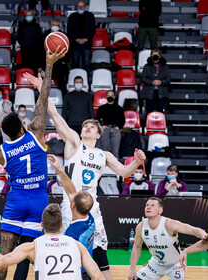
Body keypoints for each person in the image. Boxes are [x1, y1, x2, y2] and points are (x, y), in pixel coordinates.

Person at [25, 72, 147, 280]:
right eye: (85, 126)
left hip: (92, 208)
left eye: (91, 126)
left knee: (100, 254)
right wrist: (42, 89)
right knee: (68, 253)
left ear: (99, 135)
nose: (87, 127)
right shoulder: (74, 143)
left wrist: (136, 162)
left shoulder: (104, 154)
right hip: (70, 205)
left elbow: (124, 172)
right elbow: (55, 115)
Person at [0, 48, 66, 280]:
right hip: (38, 201)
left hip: (15, 202)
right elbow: (44, 99)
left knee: (4, 256)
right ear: (22, 127)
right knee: (29, 253)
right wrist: (49, 65)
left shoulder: (0, 151)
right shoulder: (37, 133)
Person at [0, 203, 105, 280]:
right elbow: (97, 276)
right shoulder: (77, 245)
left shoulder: (32, 246)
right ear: (61, 225)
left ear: (41, 225)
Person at [128, 197, 208, 280]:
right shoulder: (141, 226)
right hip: (155, 264)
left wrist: (202, 233)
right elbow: (137, 247)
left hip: (176, 264)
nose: (148, 207)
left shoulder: (169, 224)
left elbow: (192, 230)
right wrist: (132, 269)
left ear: (160, 210)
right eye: (147, 205)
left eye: (152, 205)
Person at [48, 154, 96, 279]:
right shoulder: (90, 218)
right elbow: (71, 191)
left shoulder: (72, 233)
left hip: (78, 273)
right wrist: (60, 170)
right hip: (89, 270)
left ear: (72, 205)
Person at [67, 0, 96, 74]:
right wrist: (76, 39)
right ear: (76, 7)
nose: (80, 8)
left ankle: (86, 81)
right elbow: (69, 30)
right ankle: (74, 79)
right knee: (75, 64)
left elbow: (93, 30)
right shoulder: (72, 16)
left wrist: (86, 39)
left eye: (82, 6)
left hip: (87, 44)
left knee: (86, 64)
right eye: (79, 6)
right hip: (75, 44)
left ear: (85, 7)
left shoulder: (90, 16)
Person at [42, 18, 70, 95]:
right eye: (53, 25)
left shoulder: (63, 36)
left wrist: (65, 60)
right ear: (50, 25)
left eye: (57, 25)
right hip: (48, 63)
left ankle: (64, 99)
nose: (55, 26)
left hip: (60, 64)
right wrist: (40, 66)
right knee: (45, 84)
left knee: (62, 84)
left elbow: (68, 49)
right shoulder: (44, 35)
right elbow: (40, 51)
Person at [95, 90, 125, 158]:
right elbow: (97, 119)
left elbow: (122, 120)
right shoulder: (101, 108)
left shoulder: (119, 108)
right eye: (108, 95)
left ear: (114, 97)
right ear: (106, 97)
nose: (110, 97)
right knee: (105, 151)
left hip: (116, 130)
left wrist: (119, 126)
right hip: (105, 130)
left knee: (115, 151)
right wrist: (101, 126)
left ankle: (115, 168)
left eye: (111, 96)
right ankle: (105, 167)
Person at [141, 49, 171, 113]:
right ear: (151, 56)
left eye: (156, 55)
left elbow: (168, 79)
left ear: (160, 56)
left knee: (160, 112)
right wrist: (152, 82)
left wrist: (161, 82)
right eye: (153, 55)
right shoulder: (147, 66)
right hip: (149, 92)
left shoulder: (165, 66)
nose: (155, 56)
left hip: (161, 92)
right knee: (149, 112)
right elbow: (143, 78)